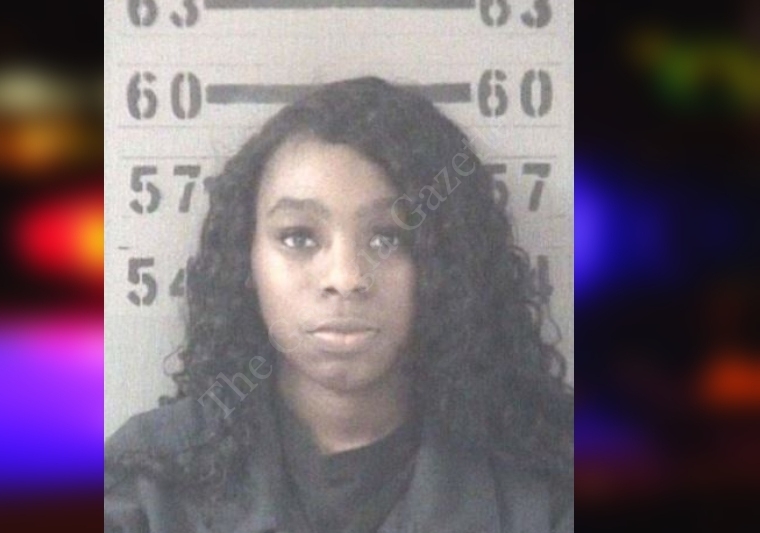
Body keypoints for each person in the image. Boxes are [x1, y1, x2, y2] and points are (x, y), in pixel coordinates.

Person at [105, 76, 573, 533]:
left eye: (388, 238)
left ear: (447, 261)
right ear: (246, 261)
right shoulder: (146, 487)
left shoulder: (549, 485)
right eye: (299, 237)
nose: (345, 278)